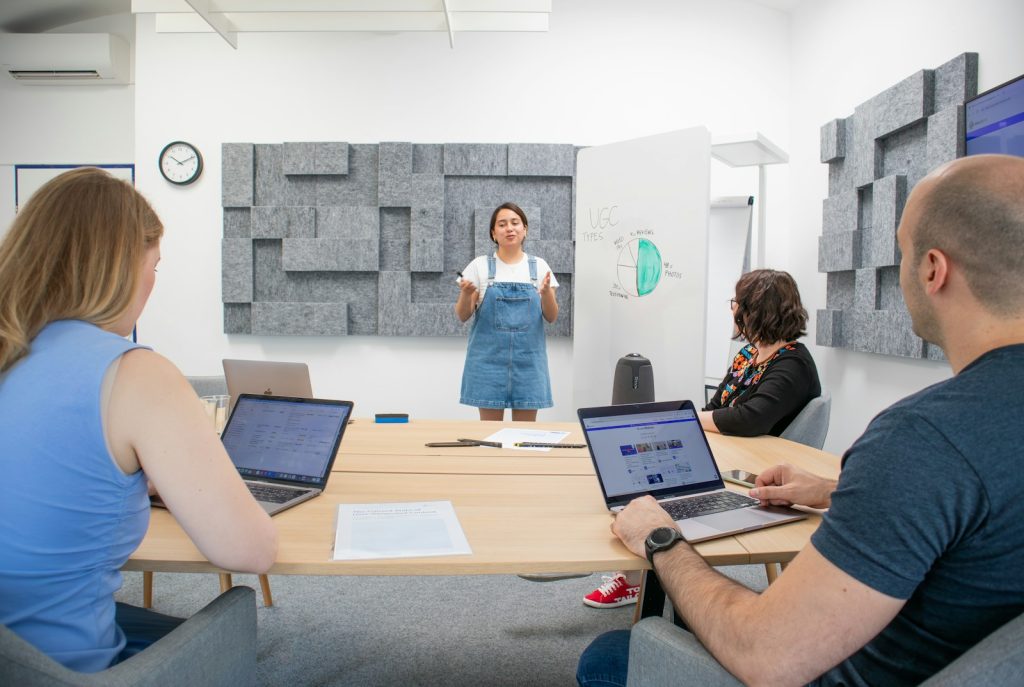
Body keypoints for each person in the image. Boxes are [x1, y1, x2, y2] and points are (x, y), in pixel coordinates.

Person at [576, 153, 1024, 687]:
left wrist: (660, 539)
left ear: (932, 269)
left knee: (608, 658)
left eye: (901, 253)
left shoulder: (922, 439)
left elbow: (767, 655)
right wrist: (837, 489)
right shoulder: (952, 447)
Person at [0, 168, 278, 673]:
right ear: (122, 267)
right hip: (61, 668)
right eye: (155, 266)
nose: (153, 281)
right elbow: (250, 550)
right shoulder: (135, 373)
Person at [583, 269, 821, 608]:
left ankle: (638, 580)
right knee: (646, 477)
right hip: (730, 455)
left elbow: (750, 419)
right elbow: (716, 408)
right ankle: (641, 575)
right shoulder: (748, 356)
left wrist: (685, 420)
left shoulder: (793, 362)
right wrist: (686, 423)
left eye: (737, 303)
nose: (732, 310)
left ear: (756, 310)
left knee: (654, 489)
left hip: (758, 471)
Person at [456, 202, 559, 421]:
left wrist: (547, 293)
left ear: (525, 229)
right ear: (494, 233)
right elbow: (462, 315)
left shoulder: (540, 266)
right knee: (490, 436)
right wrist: (466, 294)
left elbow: (552, 316)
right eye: (502, 224)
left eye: (515, 223)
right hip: (488, 363)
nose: (509, 228)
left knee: (525, 435)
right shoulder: (479, 266)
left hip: (529, 363)